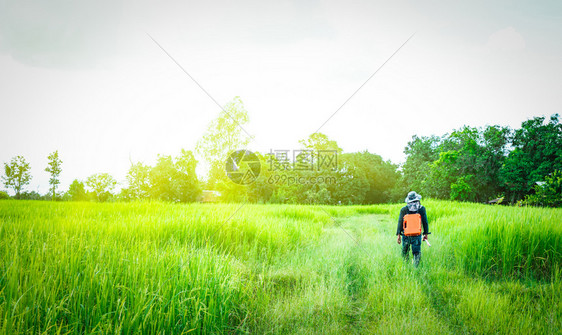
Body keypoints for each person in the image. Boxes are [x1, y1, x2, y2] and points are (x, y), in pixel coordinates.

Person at [396, 191, 429, 267]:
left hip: (406, 235)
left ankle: (406, 267)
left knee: (405, 252)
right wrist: (426, 234)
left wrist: (398, 235)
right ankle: (416, 268)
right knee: (416, 253)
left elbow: (400, 222)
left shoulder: (404, 209)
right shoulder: (421, 209)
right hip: (417, 235)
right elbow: (425, 222)